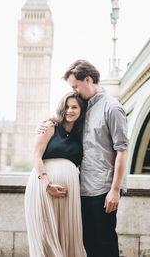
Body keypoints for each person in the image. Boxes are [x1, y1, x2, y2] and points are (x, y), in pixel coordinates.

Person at [40, 59, 129, 257]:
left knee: (105, 243)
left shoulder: (112, 108)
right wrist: (49, 121)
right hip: (83, 188)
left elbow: (122, 150)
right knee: (88, 243)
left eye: (75, 86)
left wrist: (115, 190)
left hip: (103, 189)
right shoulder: (85, 107)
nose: (75, 91)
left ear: (87, 80)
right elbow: (67, 119)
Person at [24, 91, 87, 257]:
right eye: (66, 106)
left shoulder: (81, 133)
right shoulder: (50, 126)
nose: (70, 110)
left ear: (81, 110)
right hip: (44, 188)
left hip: (69, 195)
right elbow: (36, 155)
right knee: (46, 236)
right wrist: (47, 185)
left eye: (74, 107)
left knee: (67, 238)